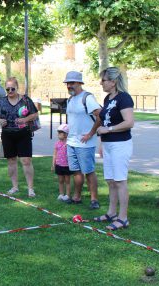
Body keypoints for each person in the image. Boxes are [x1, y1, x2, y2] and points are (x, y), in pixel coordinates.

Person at [95, 67, 135, 230]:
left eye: (103, 80)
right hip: (109, 145)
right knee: (111, 181)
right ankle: (111, 213)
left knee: (120, 181)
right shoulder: (107, 99)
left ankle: (123, 218)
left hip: (120, 145)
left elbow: (129, 122)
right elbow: (105, 122)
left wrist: (108, 130)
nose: (101, 83)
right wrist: (102, 143)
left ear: (113, 82)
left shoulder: (124, 98)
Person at [0, 77, 39, 197]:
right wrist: (0, 121)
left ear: (17, 87)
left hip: (23, 134)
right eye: (8, 89)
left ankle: (30, 189)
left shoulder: (25, 100)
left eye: (13, 88)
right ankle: (14, 187)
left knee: (26, 161)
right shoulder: (1, 102)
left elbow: (34, 114)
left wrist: (25, 119)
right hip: (7, 134)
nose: (10, 91)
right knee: (11, 161)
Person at [63, 71, 102, 209]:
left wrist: (91, 133)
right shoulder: (70, 99)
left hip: (85, 143)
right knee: (76, 171)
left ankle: (94, 200)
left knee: (89, 171)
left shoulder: (87, 97)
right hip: (71, 142)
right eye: (67, 83)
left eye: (72, 83)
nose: (69, 86)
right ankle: (77, 197)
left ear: (80, 83)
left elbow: (100, 116)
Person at [52, 124, 72, 203]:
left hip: (67, 166)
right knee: (60, 180)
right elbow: (55, 154)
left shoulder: (69, 144)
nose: (58, 135)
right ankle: (61, 194)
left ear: (66, 134)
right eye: (58, 133)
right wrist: (53, 164)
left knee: (67, 181)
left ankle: (67, 195)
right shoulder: (57, 143)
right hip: (59, 165)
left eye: (60, 133)